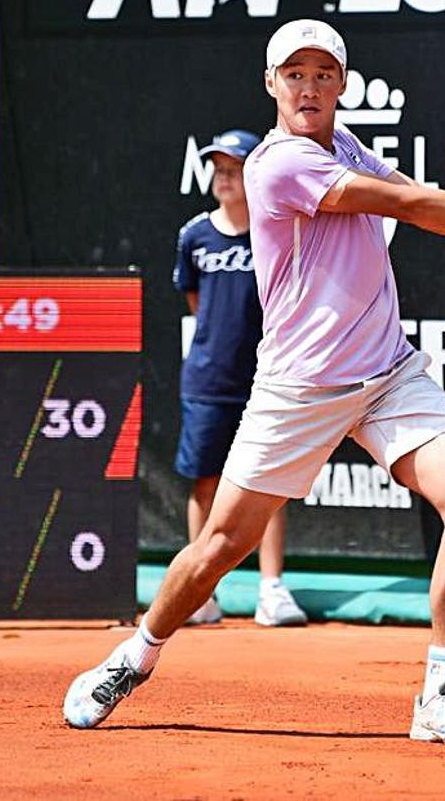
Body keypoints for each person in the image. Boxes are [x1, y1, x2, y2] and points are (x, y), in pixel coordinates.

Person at [64, 19, 445, 744]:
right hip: (299, 388)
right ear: (271, 84)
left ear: (344, 85)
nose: (308, 87)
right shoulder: (278, 166)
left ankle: (439, 694)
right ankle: (136, 654)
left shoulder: (345, 146)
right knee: (221, 546)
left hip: (386, 373)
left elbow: (411, 187)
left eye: (322, 74)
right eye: (294, 74)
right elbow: (404, 205)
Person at [173, 128, 307, 628]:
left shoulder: (275, 232)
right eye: (219, 170)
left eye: (235, 169)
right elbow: (197, 305)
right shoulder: (194, 236)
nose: (225, 178)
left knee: (266, 487)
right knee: (205, 483)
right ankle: (200, 593)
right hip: (207, 382)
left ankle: (271, 589)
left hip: (268, 379)